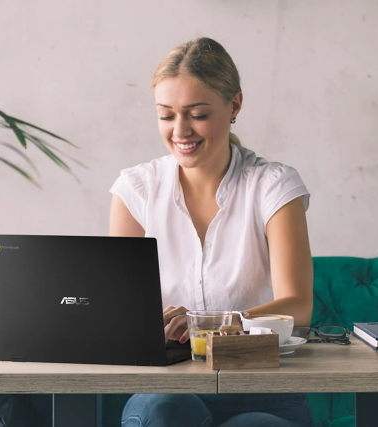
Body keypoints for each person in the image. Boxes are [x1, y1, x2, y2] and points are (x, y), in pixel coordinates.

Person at [109, 37, 314, 427]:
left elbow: (298, 305)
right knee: (160, 411)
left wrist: (207, 323)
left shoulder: (272, 186)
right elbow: (122, 312)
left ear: (234, 104)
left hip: (264, 390)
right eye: (166, 115)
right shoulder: (135, 189)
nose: (180, 131)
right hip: (166, 388)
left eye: (197, 114)